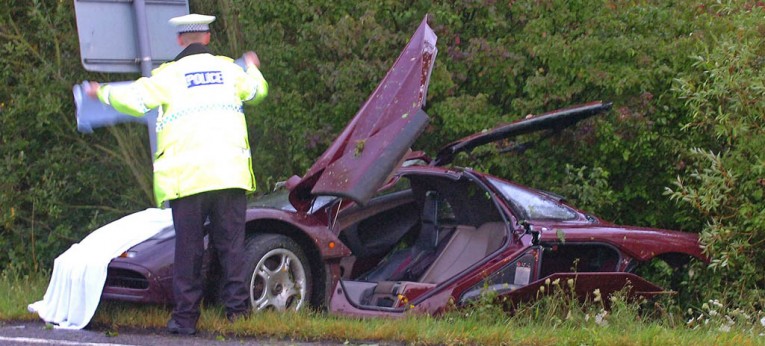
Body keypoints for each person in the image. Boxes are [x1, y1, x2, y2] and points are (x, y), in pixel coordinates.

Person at [85, 13, 268, 335]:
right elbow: (257, 92)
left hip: (189, 181)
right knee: (231, 248)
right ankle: (238, 315)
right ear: (208, 38)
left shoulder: (168, 76)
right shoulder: (229, 70)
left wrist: (100, 92)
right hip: (229, 176)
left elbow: (135, 100)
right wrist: (251, 64)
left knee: (189, 251)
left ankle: (185, 319)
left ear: (180, 40)